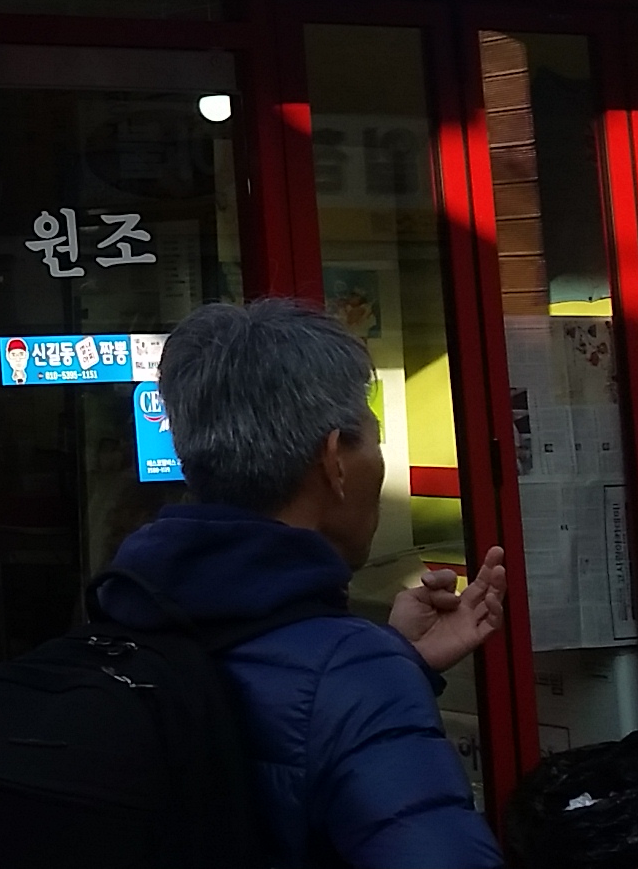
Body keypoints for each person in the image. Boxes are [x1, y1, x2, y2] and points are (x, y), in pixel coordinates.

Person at [97, 299, 509, 868]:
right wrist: (376, 671)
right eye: (374, 438)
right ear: (334, 461)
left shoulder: (119, 620)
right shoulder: (355, 672)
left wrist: (397, 657)